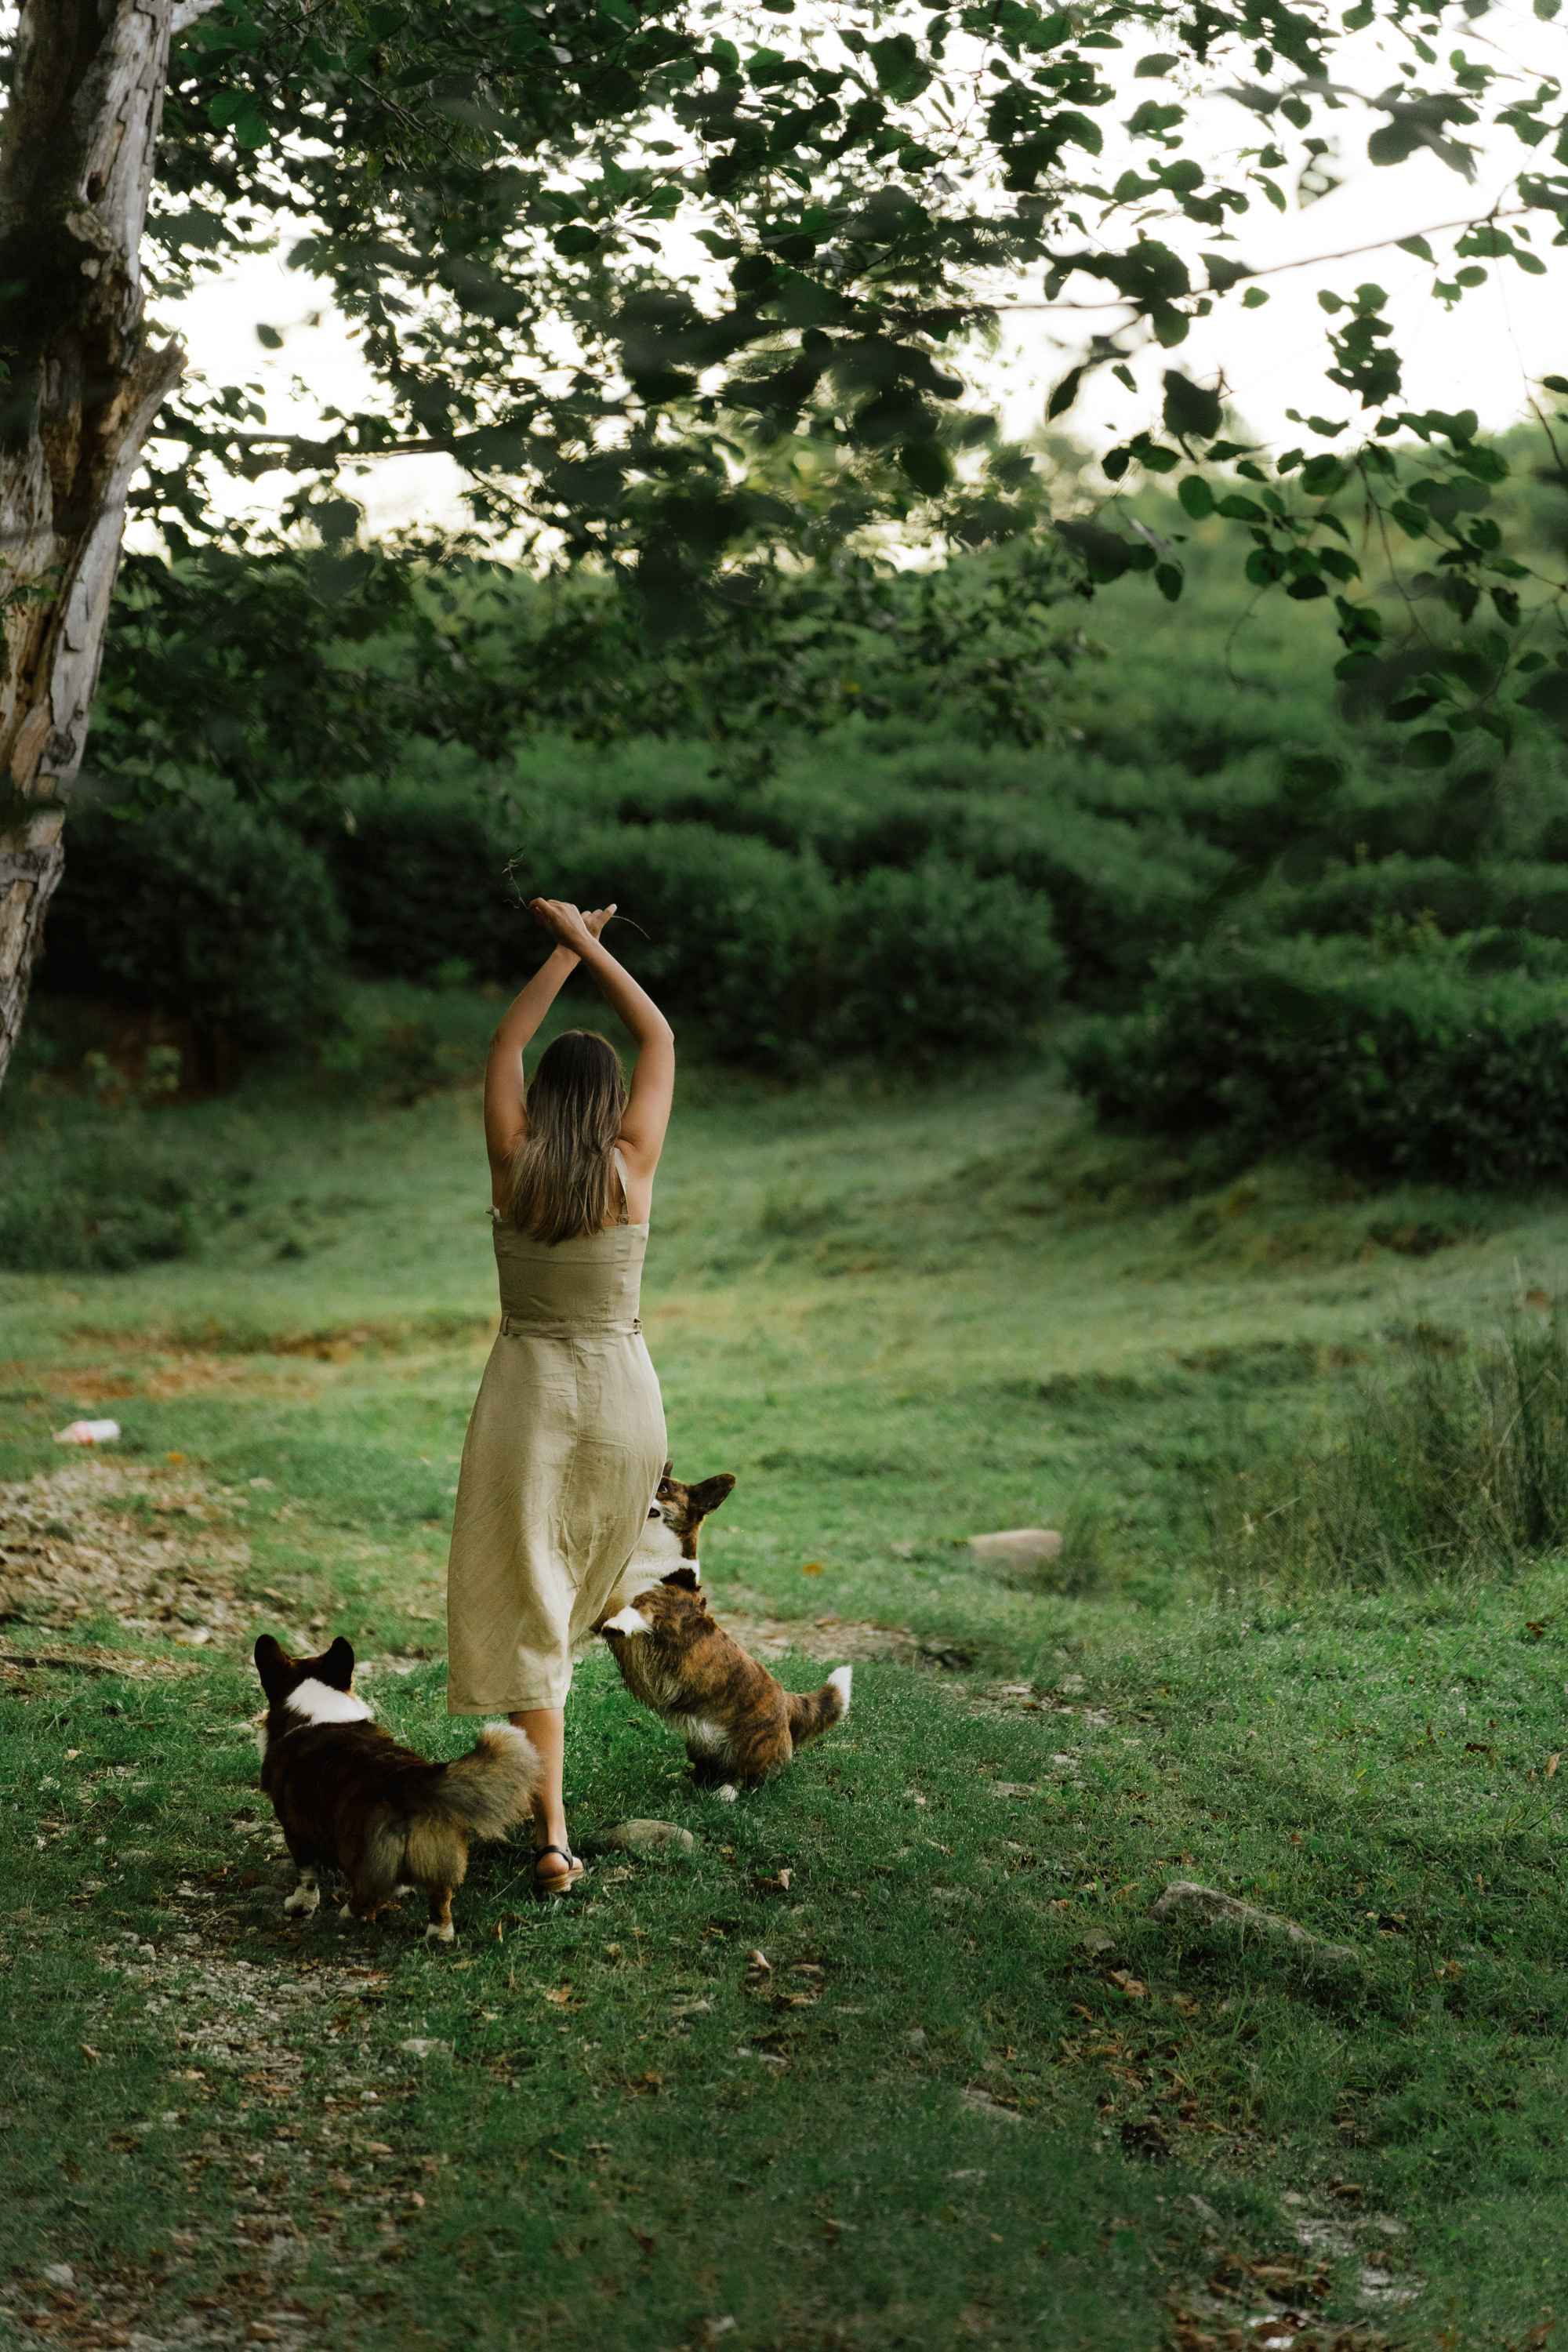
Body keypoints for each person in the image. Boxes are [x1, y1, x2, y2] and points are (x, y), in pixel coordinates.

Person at [445, 897, 674, 1892]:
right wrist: (593, 943)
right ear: (615, 1100)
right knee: (563, 1603)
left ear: (542, 1096)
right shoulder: (630, 1168)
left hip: (527, 1395)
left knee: (534, 1602)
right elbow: (658, 1030)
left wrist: (556, 951)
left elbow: (505, 1038)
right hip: (623, 1399)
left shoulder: (514, 1165)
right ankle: (540, 1818)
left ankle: (549, 1830)